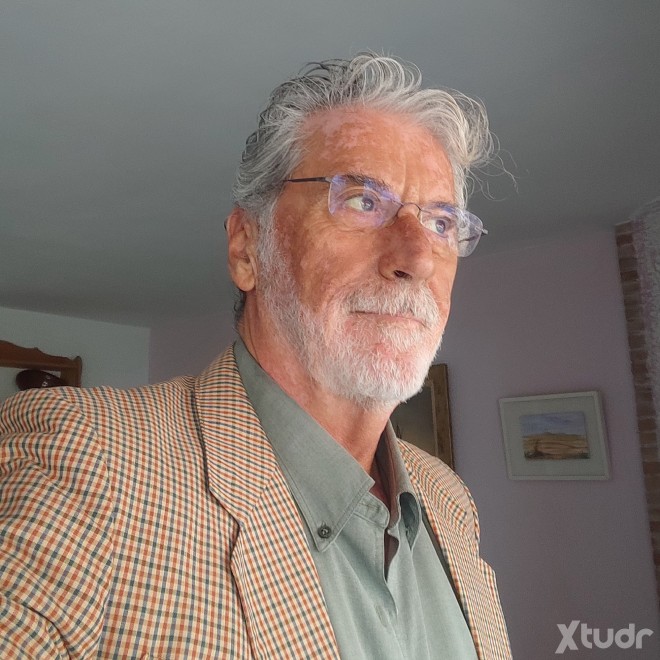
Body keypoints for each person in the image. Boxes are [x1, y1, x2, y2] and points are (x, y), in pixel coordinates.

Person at [0, 54, 511, 658]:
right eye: (361, 200)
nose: (418, 257)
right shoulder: (87, 462)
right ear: (247, 249)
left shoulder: (449, 500)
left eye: (442, 223)